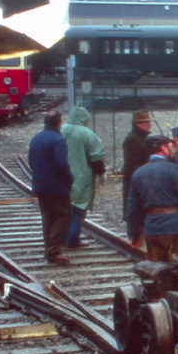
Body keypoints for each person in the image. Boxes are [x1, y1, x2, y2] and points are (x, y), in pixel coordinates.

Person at [126, 135, 178, 262]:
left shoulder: (138, 173)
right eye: (171, 147)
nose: (174, 150)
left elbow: (132, 207)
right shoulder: (174, 170)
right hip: (177, 227)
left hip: (153, 229)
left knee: (159, 271)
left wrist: (134, 234)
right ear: (163, 148)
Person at [28, 111, 74, 265]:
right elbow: (61, 164)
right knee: (64, 215)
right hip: (57, 186)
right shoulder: (58, 140)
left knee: (47, 216)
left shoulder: (37, 138)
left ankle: (49, 248)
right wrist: (69, 178)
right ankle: (54, 250)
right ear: (58, 123)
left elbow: (31, 160)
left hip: (40, 184)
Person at [61, 106, 106, 248]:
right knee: (78, 210)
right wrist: (101, 173)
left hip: (61, 177)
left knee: (63, 211)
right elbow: (96, 157)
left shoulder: (62, 129)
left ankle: (60, 238)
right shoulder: (87, 134)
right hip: (81, 177)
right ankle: (72, 239)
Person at [122, 109, 152, 217]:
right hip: (135, 181)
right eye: (147, 122)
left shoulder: (142, 138)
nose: (150, 124)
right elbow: (132, 165)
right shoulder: (132, 140)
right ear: (138, 123)